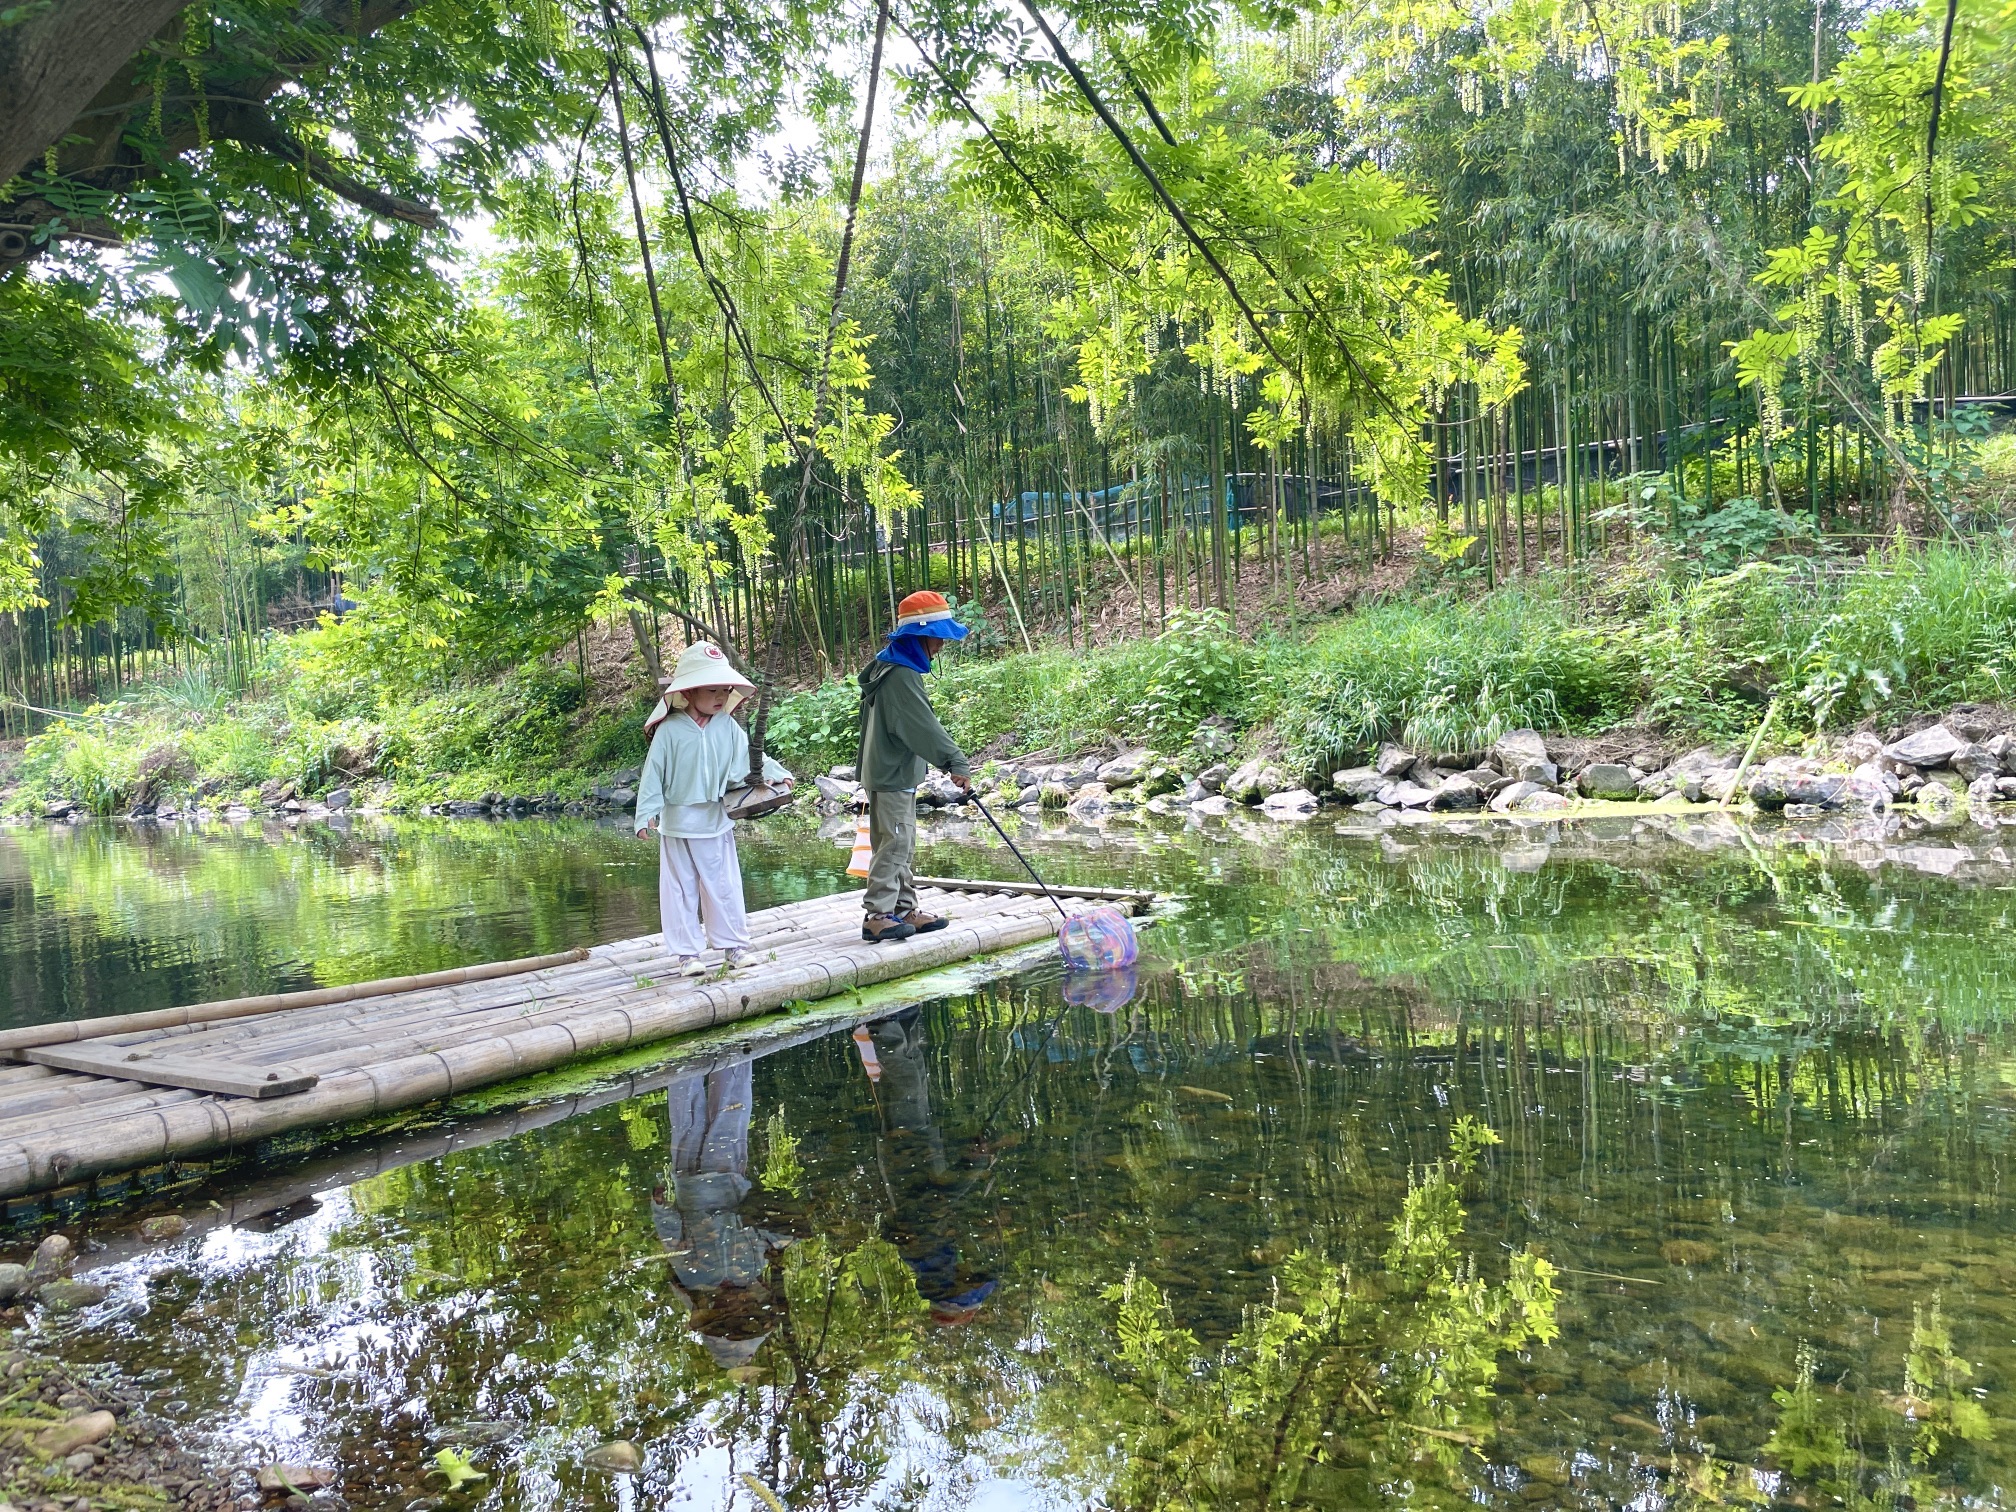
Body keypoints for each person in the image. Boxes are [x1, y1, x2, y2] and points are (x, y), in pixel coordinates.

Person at [635, 641, 793, 971]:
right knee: (680, 890)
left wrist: (778, 776)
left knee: (723, 885)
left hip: (715, 819)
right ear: (689, 692)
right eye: (712, 690)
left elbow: (750, 762)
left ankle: (733, 946)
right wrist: (646, 813)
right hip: (678, 822)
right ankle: (687, 955)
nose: (721, 696)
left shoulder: (726, 726)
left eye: (725, 689)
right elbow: (654, 775)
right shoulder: (670, 731)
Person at [856, 590, 972, 943]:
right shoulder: (901, 675)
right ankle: (878, 914)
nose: (939, 647)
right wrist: (955, 760)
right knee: (893, 844)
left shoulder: (890, 666)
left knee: (901, 843)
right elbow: (921, 727)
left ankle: (904, 908)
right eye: (936, 639)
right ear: (918, 637)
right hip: (891, 773)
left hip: (892, 771)